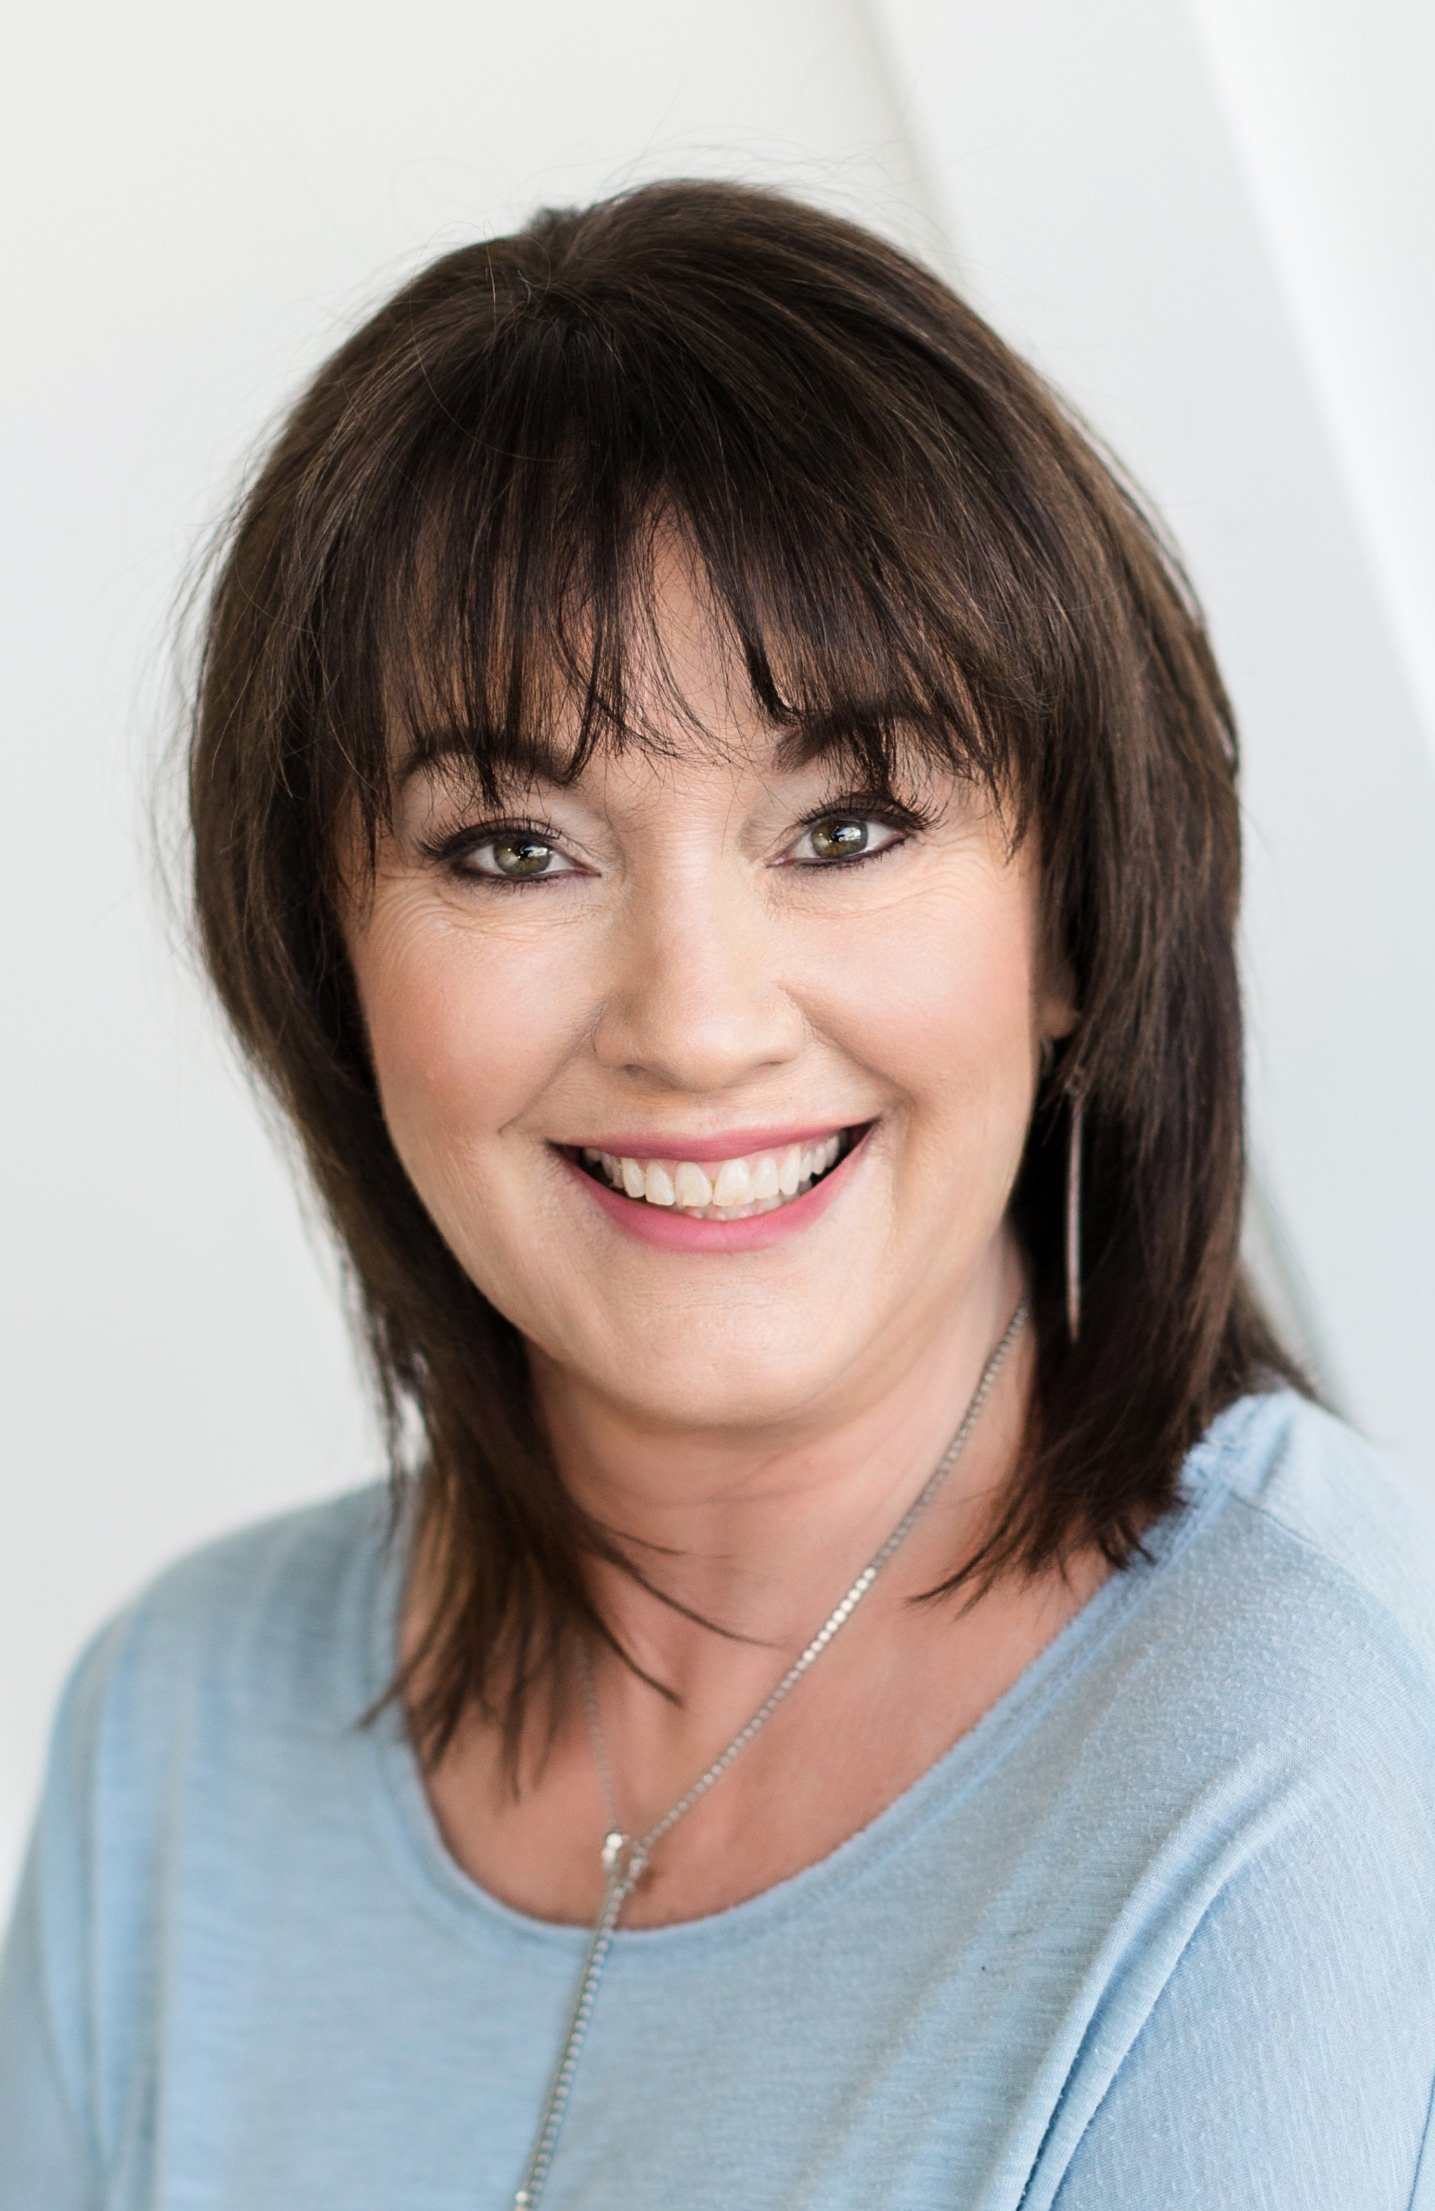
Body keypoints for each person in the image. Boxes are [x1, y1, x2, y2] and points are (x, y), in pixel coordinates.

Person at [2, 177, 1433, 2211]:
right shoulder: (180, 1732)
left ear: (1074, 925)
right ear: (330, 955)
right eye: (511, 845)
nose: (694, 1018)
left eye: (846, 825)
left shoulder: (1309, 1753)